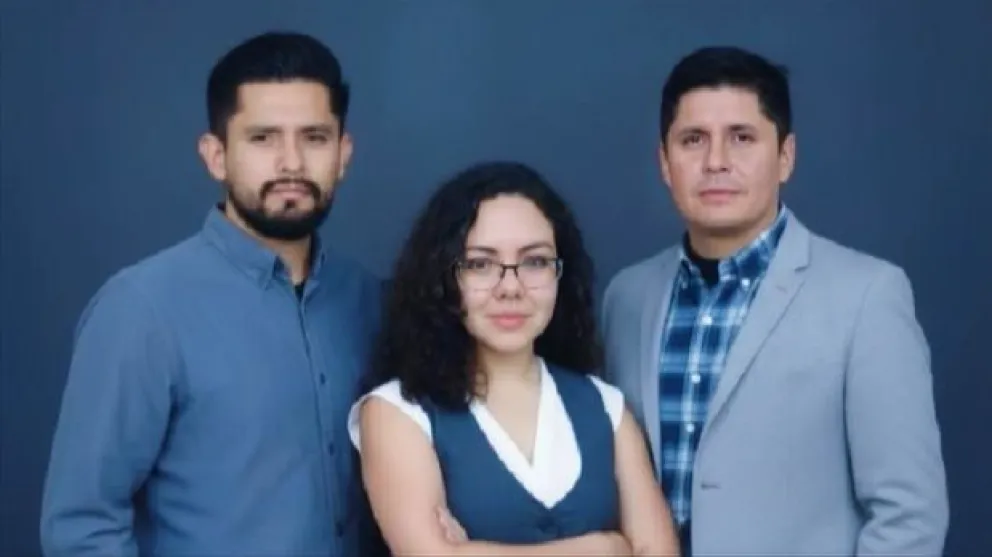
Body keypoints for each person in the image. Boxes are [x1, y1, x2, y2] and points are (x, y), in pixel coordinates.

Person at [39, 31, 385, 556]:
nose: (291, 163)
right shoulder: (142, 309)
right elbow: (81, 528)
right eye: (263, 138)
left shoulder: (369, 300)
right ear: (216, 155)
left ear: (343, 153)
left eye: (314, 137)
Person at [601, 45, 950, 556]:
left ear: (785, 156)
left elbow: (910, 514)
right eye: (693, 140)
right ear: (664, 162)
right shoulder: (626, 299)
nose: (715, 162)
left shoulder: (867, 297)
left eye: (741, 138)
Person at [348, 161, 680, 555]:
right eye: (480, 264)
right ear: (443, 277)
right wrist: (605, 548)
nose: (511, 287)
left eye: (535, 261)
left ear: (561, 274)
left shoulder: (606, 406)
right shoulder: (397, 410)